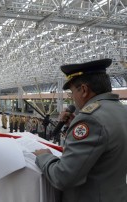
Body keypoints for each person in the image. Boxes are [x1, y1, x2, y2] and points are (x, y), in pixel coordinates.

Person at [33, 58, 127, 202]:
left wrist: (44, 156)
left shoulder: (90, 119)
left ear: (83, 90)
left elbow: (62, 177)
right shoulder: (121, 111)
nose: (72, 99)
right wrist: (74, 126)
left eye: (71, 93)